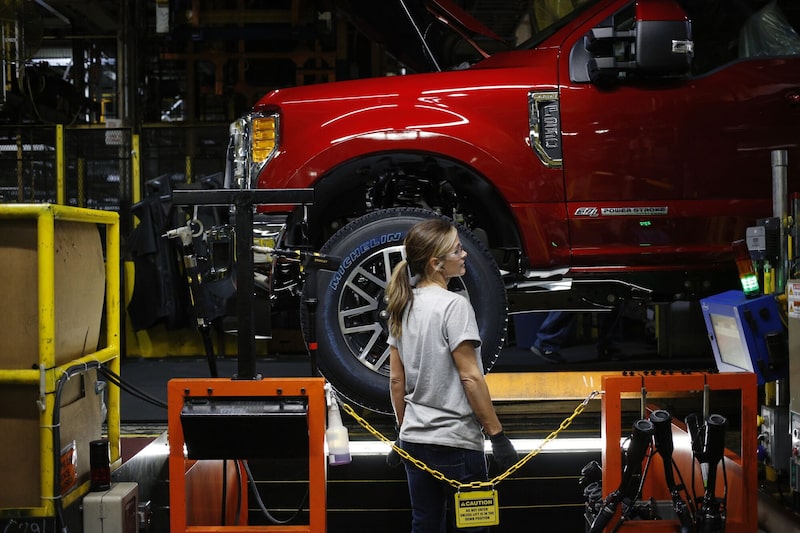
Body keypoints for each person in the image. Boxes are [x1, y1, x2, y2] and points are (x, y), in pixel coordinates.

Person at [385, 218, 518, 533]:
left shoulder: (401, 304)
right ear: (436, 264)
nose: (464, 254)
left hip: (415, 443)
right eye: (456, 250)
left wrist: (402, 433)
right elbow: (470, 377)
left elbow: (395, 381)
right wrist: (497, 437)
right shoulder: (454, 306)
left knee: (425, 525)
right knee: (474, 528)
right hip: (457, 443)